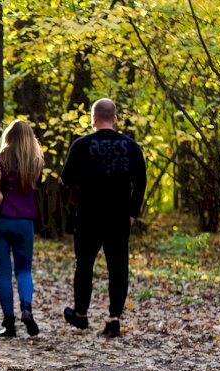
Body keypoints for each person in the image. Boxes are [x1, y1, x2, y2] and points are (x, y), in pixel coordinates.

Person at [59, 98, 147, 338]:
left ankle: (81, 314)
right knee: (118, 267)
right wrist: (132, 213)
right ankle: (114, 318)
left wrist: (70, 205)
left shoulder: (81, 145)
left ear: (93, 118)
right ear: (115, 118)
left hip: (88, 215)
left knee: (84, 265)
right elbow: (140, 183)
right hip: (118, 217)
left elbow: (65, 180)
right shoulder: (132, 147)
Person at [0, 120, 44, 337]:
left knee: (3, 272)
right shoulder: (35, 161)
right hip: (24, 222)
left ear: (8, 135)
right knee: (24, 270)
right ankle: (26, 309)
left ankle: (8, 322)